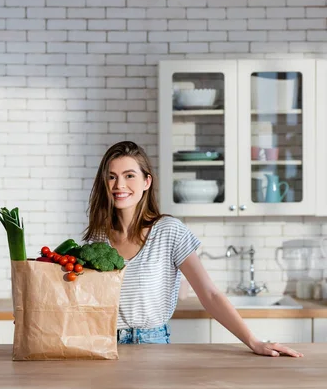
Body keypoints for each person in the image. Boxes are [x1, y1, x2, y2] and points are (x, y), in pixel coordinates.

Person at [83, 141, 303, 357]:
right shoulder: (97, 239)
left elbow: (209, 294)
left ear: (146, 181)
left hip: (152, 345)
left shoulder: (169, 231)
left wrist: (254, 342)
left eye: (129, 176)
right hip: (105, 344)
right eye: (112, 177)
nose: (119, 185)